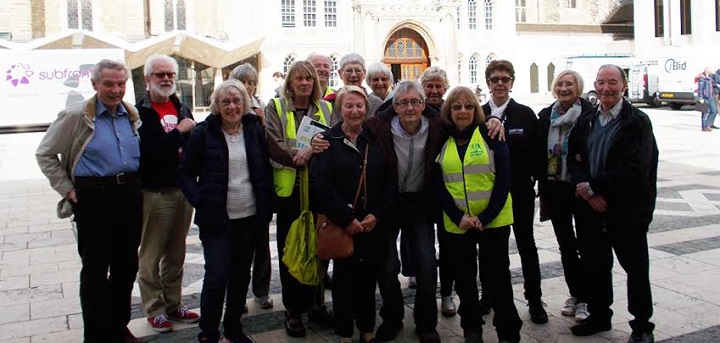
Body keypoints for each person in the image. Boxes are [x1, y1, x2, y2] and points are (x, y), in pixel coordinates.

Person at [35, 59, 144, 343]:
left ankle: (118, 327)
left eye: (120, 84)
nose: (115, 90)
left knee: (126, 266)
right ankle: (96, 336)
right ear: (95, 84)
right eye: (109, 84)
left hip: (128, 194)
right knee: (95, 269)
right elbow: (45, 154)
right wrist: (67, 189)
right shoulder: (76, 116)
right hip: (94, 195)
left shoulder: (129, 114)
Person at [568, 64, 659, 343]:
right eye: (601, 83)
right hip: (591, 210)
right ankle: (599, 315)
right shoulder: (586, 119)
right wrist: (587, 190)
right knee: (596, 266)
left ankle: (642, 325)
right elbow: (573, 157)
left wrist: (596, 187)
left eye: (612, 82)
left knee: (636, 269)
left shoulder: (637, 122)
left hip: (627, 211)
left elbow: (636, 168)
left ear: (624, 86)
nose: (606, 88)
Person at [178, 80, 273, 343]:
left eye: (237, 101)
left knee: (241, 275)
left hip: (249, 216)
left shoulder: (254, 130)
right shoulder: (202, 133)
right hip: (217, 218)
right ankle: (208, 332)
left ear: (244, 104)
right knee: (217, 276)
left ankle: (233, 329)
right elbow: (184, 173)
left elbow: (263, 168)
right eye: (225, 102)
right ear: (217, 106)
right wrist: (200, 199)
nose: (232, 106)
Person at [433, 86, 520, 343]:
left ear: (477, 110)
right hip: (458, 223)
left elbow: (504, 181)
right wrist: (458, 216)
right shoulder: (442, 139)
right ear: (449, 111)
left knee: (498, 279)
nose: (463, 112)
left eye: (469, 106)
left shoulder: (491, 135)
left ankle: (508, 330)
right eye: (457, 107)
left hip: (492, 222)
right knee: (465, 281)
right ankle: (472, 328)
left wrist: (486, 217)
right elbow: (438, 184)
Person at [313, 86, 397, 343]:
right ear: (340, 109)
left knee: (368, 279)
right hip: (343, 224)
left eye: (359, 106)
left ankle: (367, 328)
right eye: (349, 106)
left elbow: (389, 183)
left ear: (366, 109)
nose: (354, 111)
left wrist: (377, 215)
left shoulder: (376, 138)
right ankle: (344, 331)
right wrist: (347, 220)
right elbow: (322, 188)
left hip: (371, 223)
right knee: (343, 280)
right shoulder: (328, 140)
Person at [264, 60, 333, 337]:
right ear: (290, 82)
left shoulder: (326, 108)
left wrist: (313, 152)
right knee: (291, 248)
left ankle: (317, 304)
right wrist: (298, 157)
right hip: (291, 190)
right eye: (299, 78)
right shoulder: (277, 106)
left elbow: (334, 138)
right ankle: (294, 310)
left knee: (320, 247)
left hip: (320, 188)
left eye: (309, 79)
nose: (304, 83)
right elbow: (272, 141)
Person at [481, 59, 547, 324]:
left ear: (511, 82)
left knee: (526, 245)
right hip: (488, 195)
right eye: (495, 79)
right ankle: (488, 295)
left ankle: (534, 299)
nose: (499, 84)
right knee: (489, 249)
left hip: (519, 192)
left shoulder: (525, 114)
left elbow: (538, 152)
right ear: (488, 83)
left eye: (504, 79)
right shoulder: (478, 112)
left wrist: (534, 179)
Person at [136, 54, 199, 333]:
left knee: (176, 252)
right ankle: (154, 308)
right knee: (151, 254)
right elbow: (147, 155)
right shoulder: (140, 113)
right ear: (148, 79)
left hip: (182, 190)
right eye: (159, 75)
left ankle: (174, 304)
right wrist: (178, 134)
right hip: (156, 192)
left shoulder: (182, 107)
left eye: (170, 74)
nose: (165, 79)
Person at [537, 70, 593, 322]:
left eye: (569, 84)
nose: (564, 88)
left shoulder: (590, 115)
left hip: (580, 188)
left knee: (588, 245)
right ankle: (576, 293)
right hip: (555, 187)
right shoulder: (546, 115)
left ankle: (589, 299)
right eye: (560, 84)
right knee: (566, 246)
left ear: (578, 87)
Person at [228, 63, 274, 312]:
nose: (248, 87)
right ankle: (236, 294)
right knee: (236, 250)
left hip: (259, 186)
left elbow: (269, 143)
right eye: (243, 81)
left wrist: (263, 122)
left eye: (251, 82)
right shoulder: (228, 106)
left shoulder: (260, 107)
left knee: (261, 245)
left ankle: (262, 291)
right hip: (234, 192)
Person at [324, 53, 383, 125]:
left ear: (364, 73)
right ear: (340, 73)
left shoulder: (376, 103)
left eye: (358, 70)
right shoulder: (329, 103)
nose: (353, 75)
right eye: (348, 71)